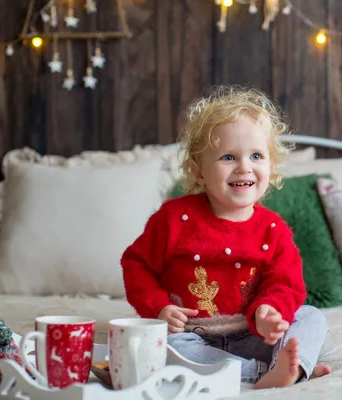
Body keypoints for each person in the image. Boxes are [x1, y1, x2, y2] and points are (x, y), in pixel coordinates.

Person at [120, 85, 331, 389]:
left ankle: (284, 366)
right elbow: (136, 264)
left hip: (253, 334)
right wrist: (159, 308)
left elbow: (286, 283)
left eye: (256, 156)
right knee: (156, 350)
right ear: (199, 172)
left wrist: (270, 311)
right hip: (191, 336)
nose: (244, 166)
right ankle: (269, 373)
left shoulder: (273, 229)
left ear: (271, 168)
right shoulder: (173, 219)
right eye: (229, 157)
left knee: (312, 318)